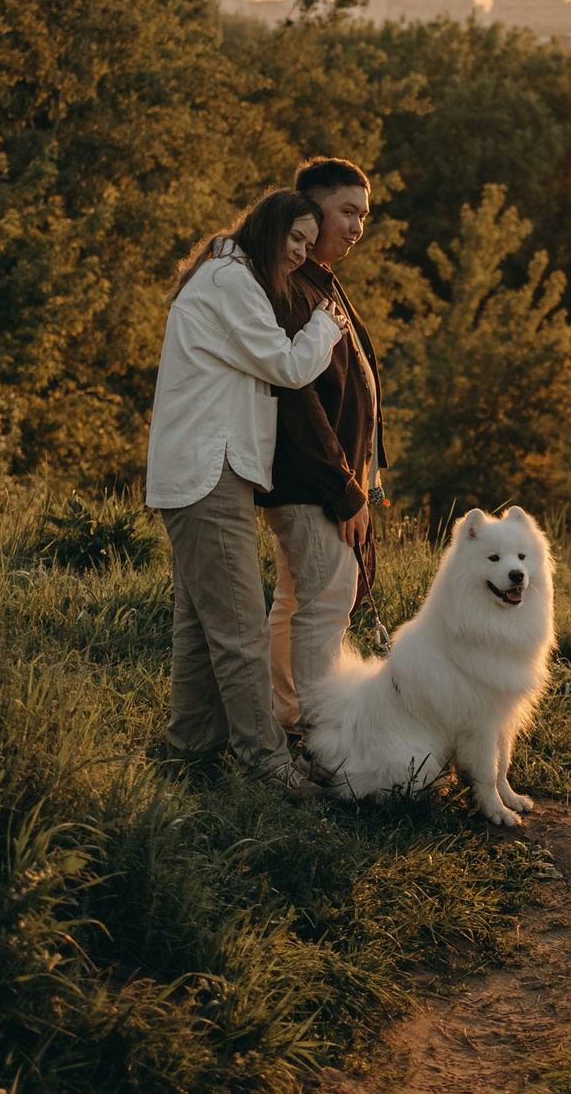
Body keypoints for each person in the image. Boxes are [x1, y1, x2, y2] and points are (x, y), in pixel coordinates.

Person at [147, 187, 349, 788]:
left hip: (201, 471)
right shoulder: (232, 282)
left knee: (198, 623)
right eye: (295, 239)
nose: (299, 254)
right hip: (210, 472)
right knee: (240, 629)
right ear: (268, 228)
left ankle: (191, 747)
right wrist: (324, 325)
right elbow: (287, 365)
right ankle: (268, 762)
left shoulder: (221, 275)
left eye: (308, 245)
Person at [261, 157, 388, 735]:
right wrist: (345, 491)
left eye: (364, 214)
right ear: (311, 209)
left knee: (296, 605)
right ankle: (321, 738)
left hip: (325, 482)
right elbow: (298, 402)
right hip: (313, 483)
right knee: (323, 610)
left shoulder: (321, 283)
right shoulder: (294, 289)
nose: (358, 226)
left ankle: (284, 722)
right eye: (347, 211)